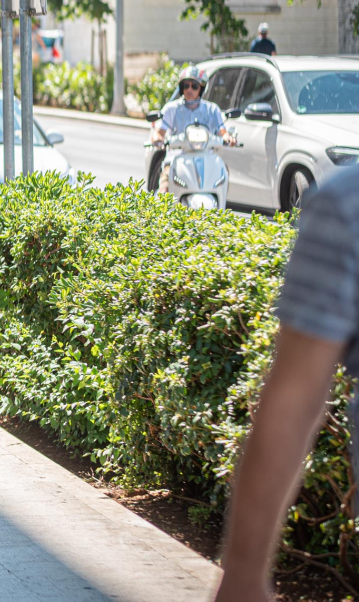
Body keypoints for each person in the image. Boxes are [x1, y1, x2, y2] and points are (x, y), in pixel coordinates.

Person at [212, 167, 359, 602]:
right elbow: (292, 407)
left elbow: (292, 405)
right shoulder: (345, 208)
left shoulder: (346, 206)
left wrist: (242, 575)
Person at [150, 65, 235, 193]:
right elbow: (159, 131)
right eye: (186, 86)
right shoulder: (172, 108)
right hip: (177, 159)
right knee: (164, 189)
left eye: (194, 86)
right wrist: (157, 138)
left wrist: (228, 138)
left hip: (207, 159)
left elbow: (222, 132)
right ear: (181, 88)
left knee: (223, 175)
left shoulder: (212, 109)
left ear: (201, 89)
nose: (189, 89)